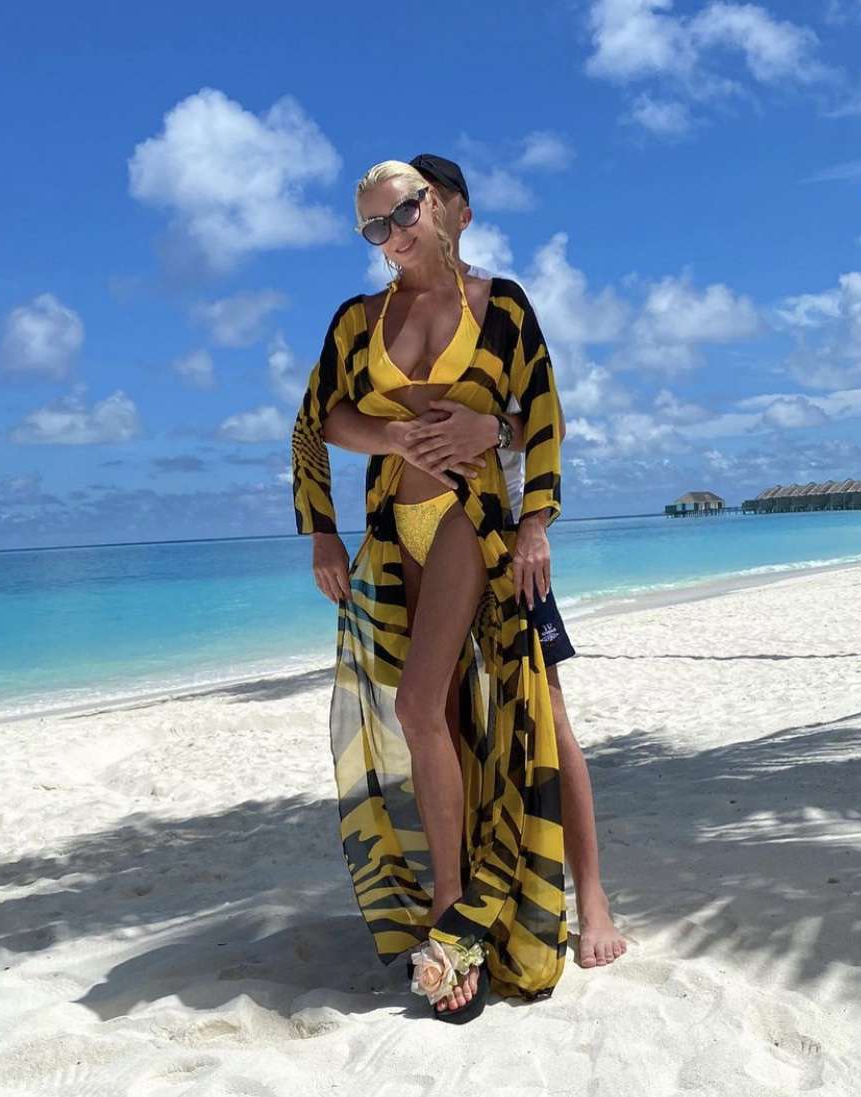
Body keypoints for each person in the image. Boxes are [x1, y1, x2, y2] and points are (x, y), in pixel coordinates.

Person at [314, 154, 627, 972]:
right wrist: (327, 523)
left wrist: (532, 516)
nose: (394, 233)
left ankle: (581, 895)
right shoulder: (361, 318)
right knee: (444, 714)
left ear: (449, 208)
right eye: (374, 226)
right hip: (399, 526)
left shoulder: (500, 303)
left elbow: (543, 415)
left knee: (540, 712)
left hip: (492, 526)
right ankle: (460, 899)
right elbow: (319, 419)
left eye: (408, 211)